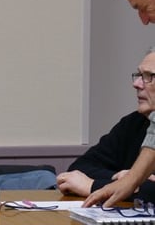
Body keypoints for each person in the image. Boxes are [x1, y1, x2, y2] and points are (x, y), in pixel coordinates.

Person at [84, 0, 155, 207]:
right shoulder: (132, 125)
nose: (144, 20)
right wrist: (133, 180)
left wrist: (131, 181)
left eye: (143, 7)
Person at [57, 47, 155, 202]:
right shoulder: (134, 123)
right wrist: (121, 178)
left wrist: (93, 186)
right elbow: (78, 169)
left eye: (149, 76)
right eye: (139, 75)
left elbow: (150, 192)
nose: (136, 84)